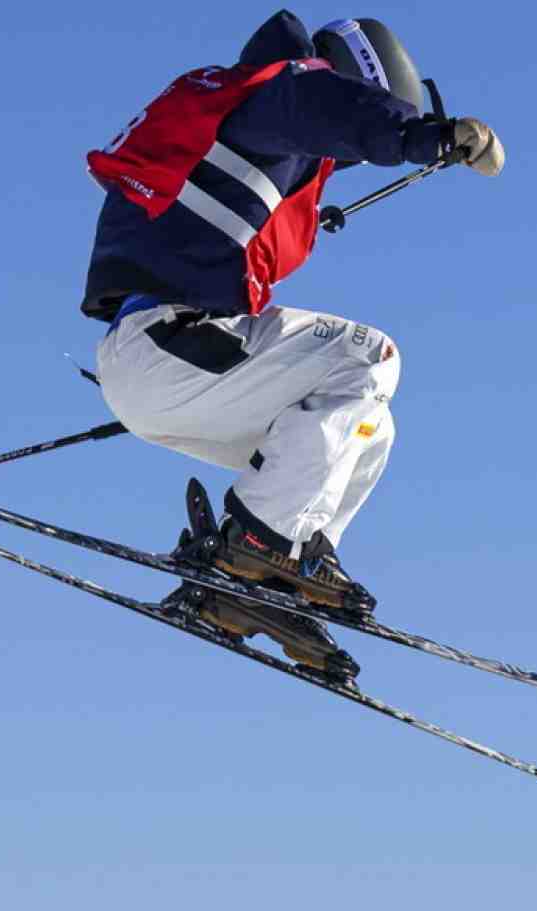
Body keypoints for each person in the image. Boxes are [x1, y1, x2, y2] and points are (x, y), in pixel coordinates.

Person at [81, 11, 503, 674]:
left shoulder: (247, 119)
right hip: (166, 343)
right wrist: (431, 135)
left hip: (172, 364)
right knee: (371, 355)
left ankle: (273, 577)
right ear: (357, 78)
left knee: (370, 426)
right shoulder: (284, 88)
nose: (348, 160)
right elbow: (329, 106)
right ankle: (258, 542)